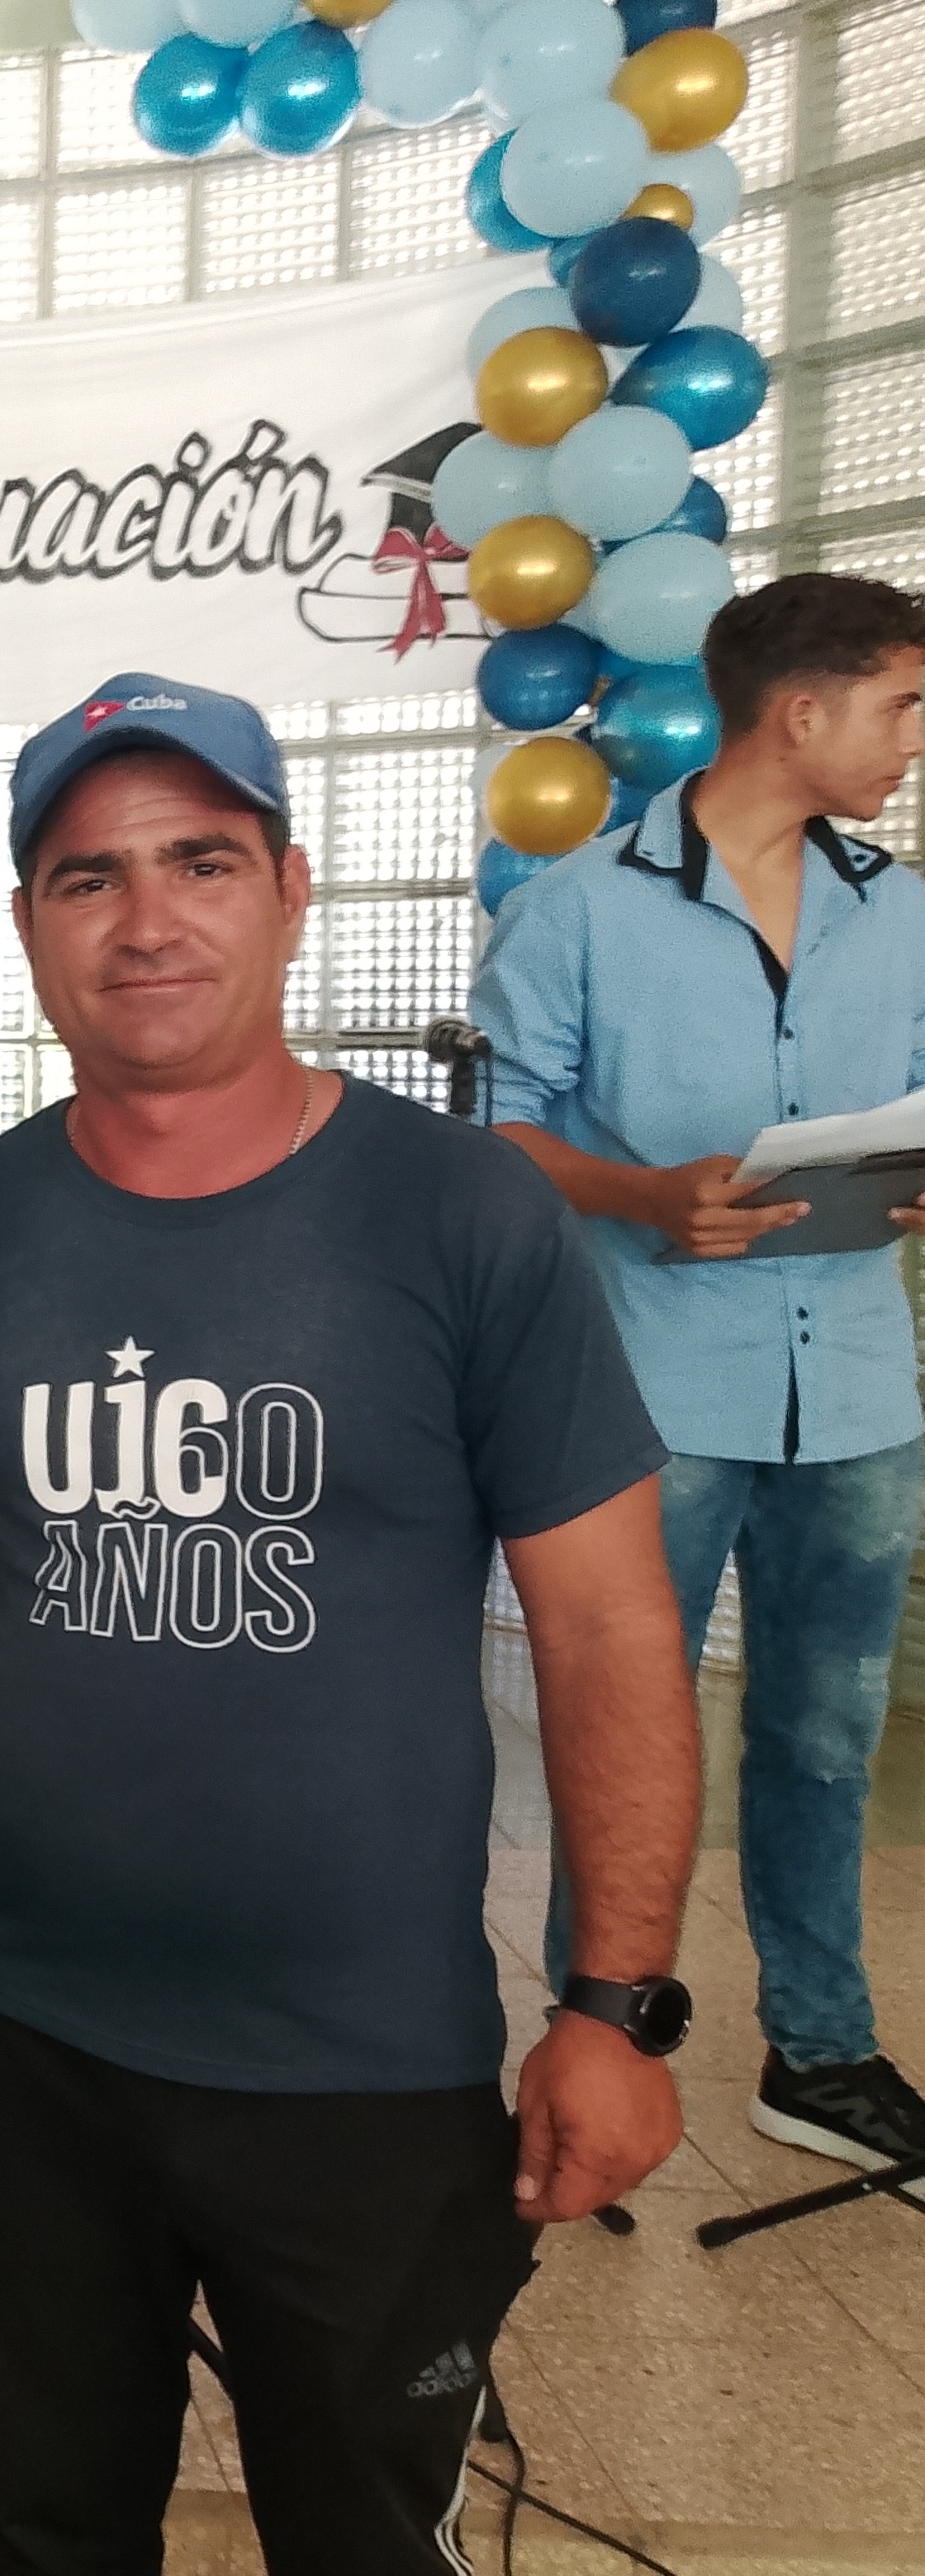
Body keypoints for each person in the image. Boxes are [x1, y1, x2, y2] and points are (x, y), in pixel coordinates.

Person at [0, 675, 704, 2571]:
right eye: (89, 877)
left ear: (291, 890)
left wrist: (614, 2004)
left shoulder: (463, 1215)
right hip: (19, 2030)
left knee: (364, 2540)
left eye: (201, 861)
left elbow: (607, 1627)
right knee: (48, 2527)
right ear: (28, 925)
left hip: (358, 2066)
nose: (147, 919)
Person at [473, 571, 925, 2175]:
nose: (910, 744)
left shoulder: (905, 909)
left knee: (826, 1738)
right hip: (651, 1392)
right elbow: (498, 1138)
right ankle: (594, 2048)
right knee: (616, 1730)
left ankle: (820, 2053)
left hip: (858, 1391)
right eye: (900, 707)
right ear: (801, 711)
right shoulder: (578, 908)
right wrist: (641, 1193)